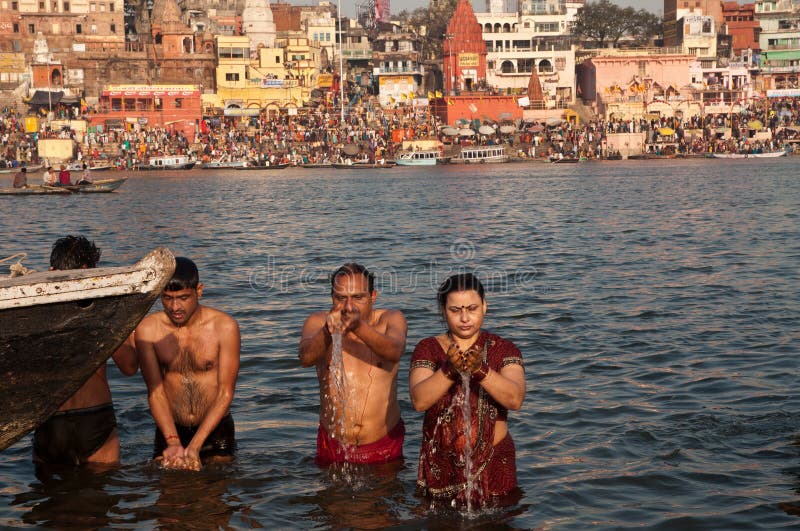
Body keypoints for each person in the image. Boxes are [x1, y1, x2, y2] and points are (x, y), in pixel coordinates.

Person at [409, 273, 525, 507]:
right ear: (443, 311)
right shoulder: (428, 348)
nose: (464, 318)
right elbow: (419, 401)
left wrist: (481, 370)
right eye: (455, 310)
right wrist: (448, 370)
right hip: (442, 468)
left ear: (484, 306)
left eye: (472, 308)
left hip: (494, 463)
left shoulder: (502, 348)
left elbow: (515, 399)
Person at [32, 236, 139, 467]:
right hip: (88, 417)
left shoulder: (32, 311)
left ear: (51, 270)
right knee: (99, 497)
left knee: (48, 496)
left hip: (54, 421)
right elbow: (130, 367)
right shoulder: (103, 311)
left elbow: (130, 365)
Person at [136, 257, 241, 471]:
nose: (175, 307)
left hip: (215, 429)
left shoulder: (224, 327)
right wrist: (173, 441)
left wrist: (194, 446)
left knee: (216, 492)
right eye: (167, 298)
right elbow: (155, 393)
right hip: (170, 429)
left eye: (183, 298)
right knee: (169, 495)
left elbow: (225, 393)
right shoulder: (148, 330)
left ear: (199, 291)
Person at [299, 263, 407, 465]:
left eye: (358, 297)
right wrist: (327, 332)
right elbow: (305, 358)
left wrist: (358, 327)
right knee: (331, 496)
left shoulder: (390, 319)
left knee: (388, 493)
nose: (349, 306)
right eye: (341, 298)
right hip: (332, 443)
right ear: (332, 297)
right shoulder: (318, 321)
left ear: (373, 296)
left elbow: (395, 351)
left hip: (384, 442)